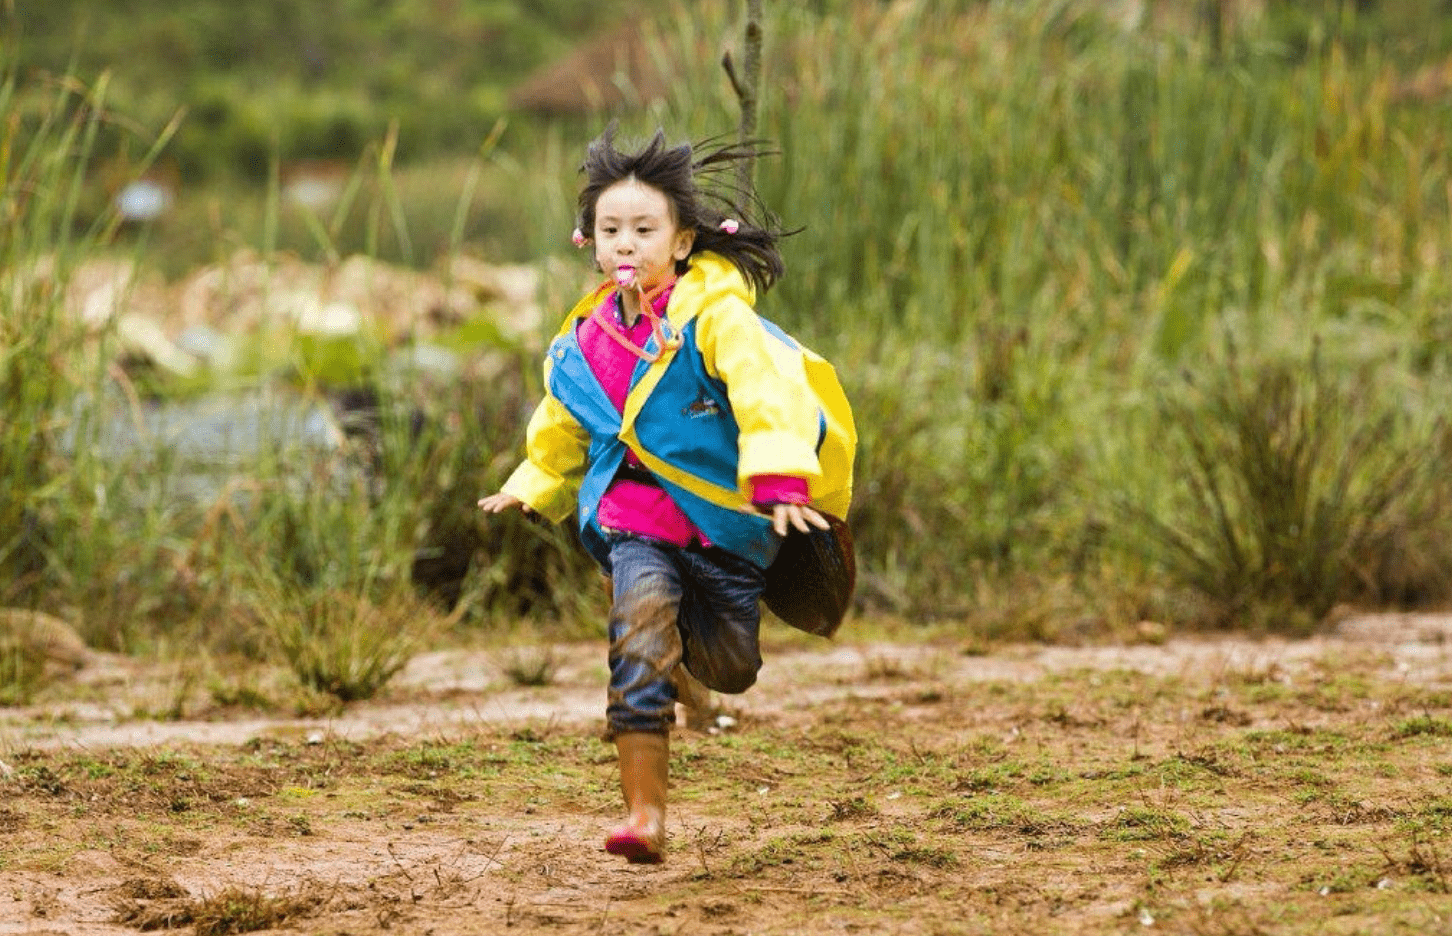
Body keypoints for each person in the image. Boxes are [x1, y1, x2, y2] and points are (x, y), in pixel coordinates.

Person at [478, 125, 854, 865]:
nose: (626, 243)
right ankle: (644, 815)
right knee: (636, 643)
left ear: (681, 241)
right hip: (635, 526)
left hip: (724, 531)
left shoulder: (717, 318)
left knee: (731, 668)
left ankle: (682, 664)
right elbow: (562, 418)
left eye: (643, 230)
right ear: (587, 239)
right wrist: (531, 485)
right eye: (610, 229)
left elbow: (764, 393)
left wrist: (778, 477)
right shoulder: (583, 339)